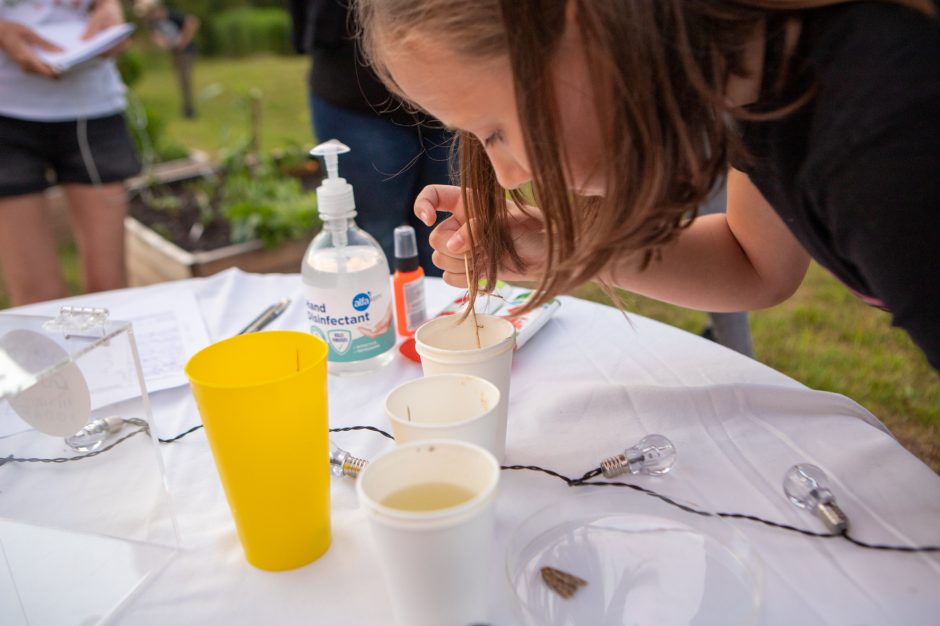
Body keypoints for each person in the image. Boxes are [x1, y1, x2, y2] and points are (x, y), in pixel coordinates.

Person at [354, 0, 940, 370]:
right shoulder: (762, 82)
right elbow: (752, 262)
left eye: (496, 131)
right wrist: (565, 243)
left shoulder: (889, 145)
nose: (506, 176)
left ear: (581, 26)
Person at [290, 0, 453, 276]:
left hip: (449, 84)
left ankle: (448, 318)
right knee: (378, 237)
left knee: (446, 232)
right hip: (353, 90)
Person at [0, 0, 139, 307]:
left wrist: (110, 7)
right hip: (6, 113)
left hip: (93, 107)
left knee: (112, 295)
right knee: (37, 301)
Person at [135, 0, 199, 119]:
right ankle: (186, 106)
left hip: (186, 51)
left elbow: (192, 22)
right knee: (181, 79)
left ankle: (189, 109)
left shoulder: (170, 14)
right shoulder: (152, 23)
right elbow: (156, 37)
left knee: (184, 78)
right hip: (174, 52)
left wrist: (183, 41)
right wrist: (164, 44)